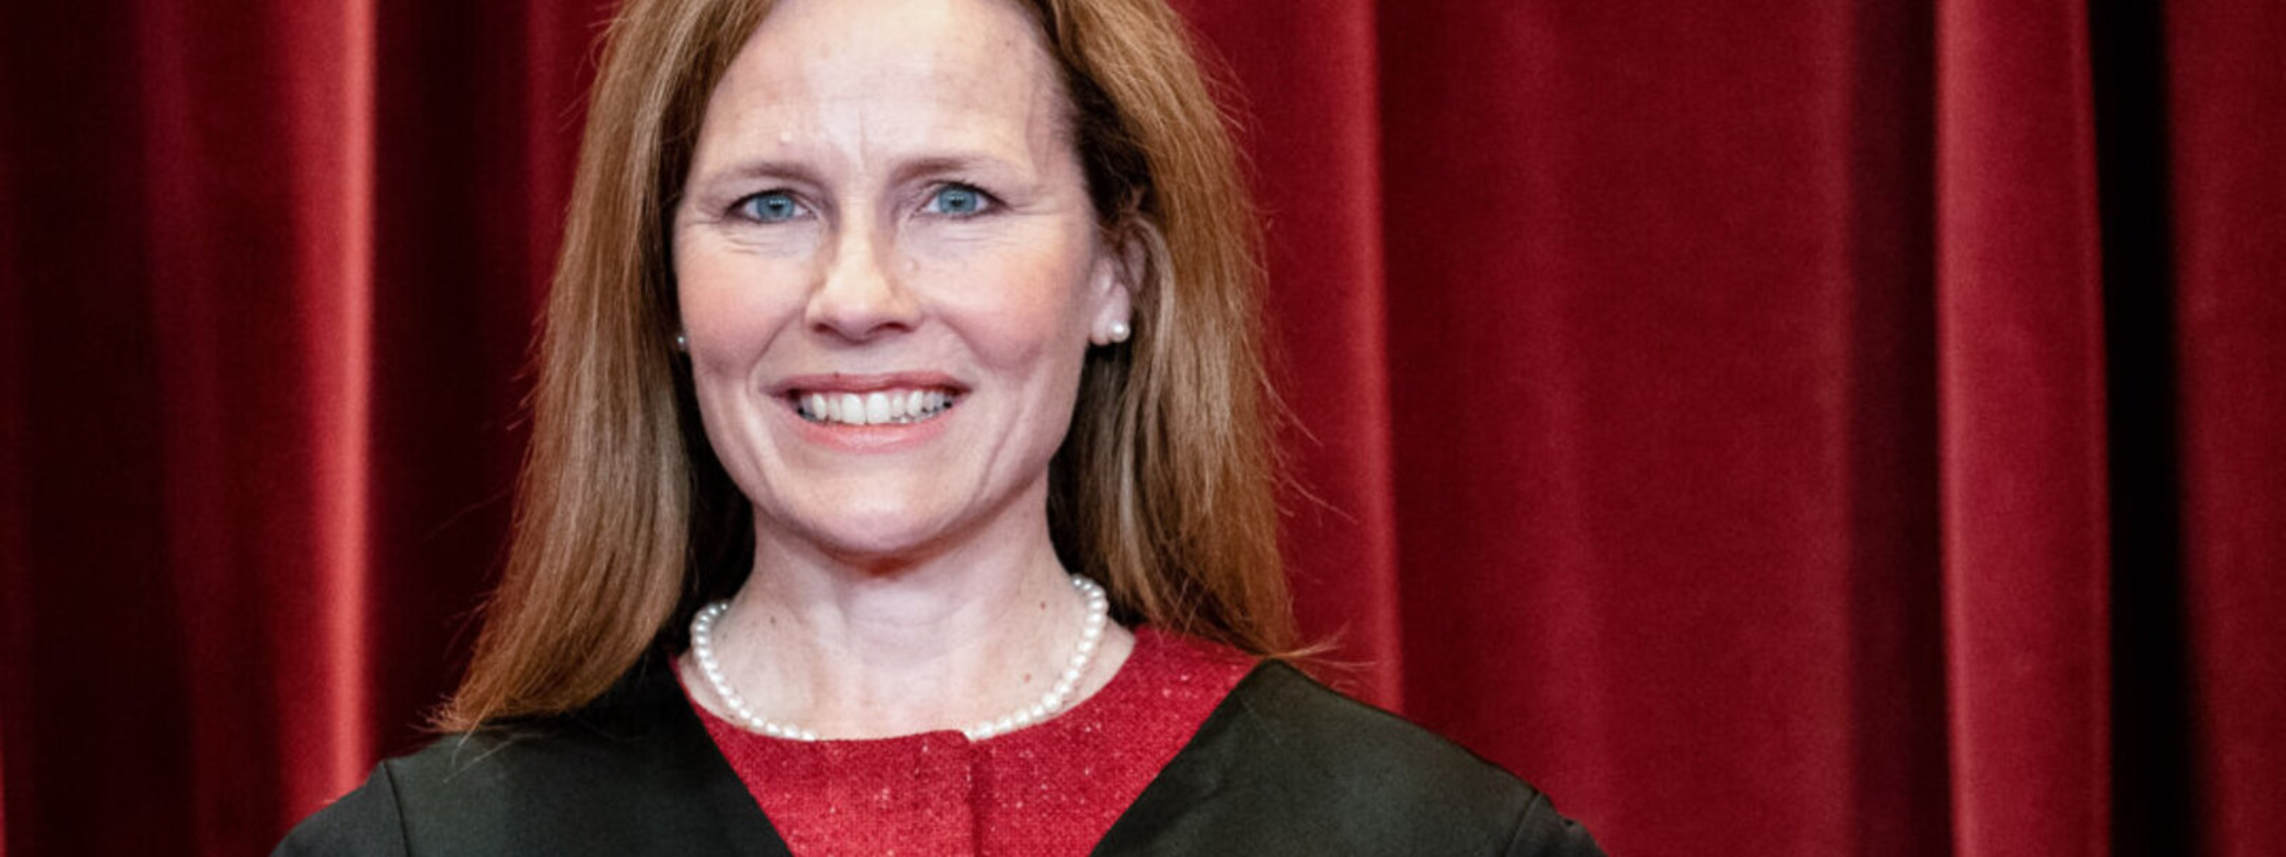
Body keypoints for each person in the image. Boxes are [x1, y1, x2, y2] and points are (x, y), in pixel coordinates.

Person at [275, 0, 1602, 853]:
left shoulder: (1441, 842)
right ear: (664, 287)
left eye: (957, 199)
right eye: (770, 205)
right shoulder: (416, 851)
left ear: (1116, 274)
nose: (857, 296)